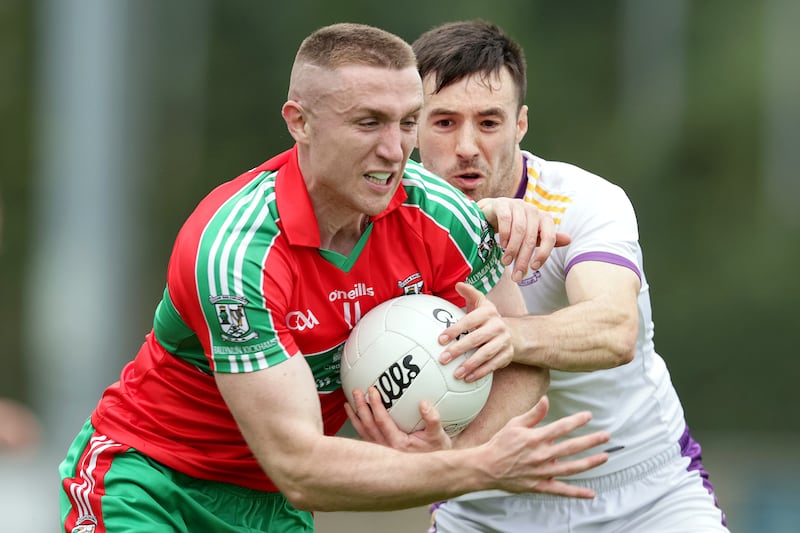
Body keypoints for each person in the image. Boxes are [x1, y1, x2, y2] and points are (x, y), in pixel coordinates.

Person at [58, 23, 612, 533]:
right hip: (152, 485)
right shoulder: (238, 252)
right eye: (368, 122)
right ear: (298, 121)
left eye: (407, 123)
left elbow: (519, 354)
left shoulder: (442, 216)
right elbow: (299, 462)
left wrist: (450, 453)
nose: (395, 151)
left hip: (279, 506)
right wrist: (475, 467)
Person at [407, 19, 728, 532]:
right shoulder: (383, 223)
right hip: (483, 503)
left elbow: (612, 329)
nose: (467, 145)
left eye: (489, 122)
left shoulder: (585, 200)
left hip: (643, 493)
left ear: (521, 125)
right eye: (444, 122)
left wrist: (504, 334)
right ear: (412, 125)